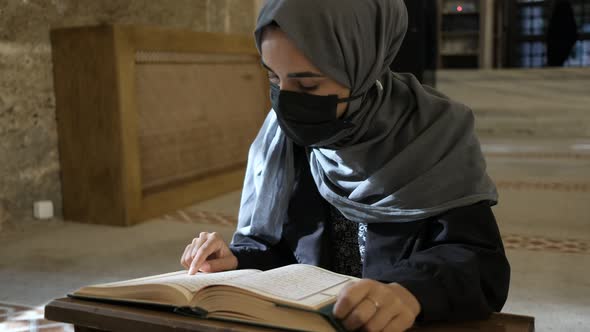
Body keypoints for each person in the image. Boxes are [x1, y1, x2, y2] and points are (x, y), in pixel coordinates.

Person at [180, 0, 510, 331]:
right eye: (275, 80)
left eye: (308, 85)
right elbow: (283, 257)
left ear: (362, 66)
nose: (286, 103)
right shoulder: (282, 142)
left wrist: (410, 291)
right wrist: (237, 259)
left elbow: (481, 264)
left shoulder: (433, 135)